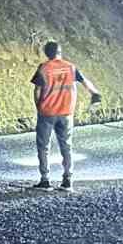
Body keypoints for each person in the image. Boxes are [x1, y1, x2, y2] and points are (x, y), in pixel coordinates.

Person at [31, 42, 101, 190]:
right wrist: (95, 94)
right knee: (66, 146)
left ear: (46, 53)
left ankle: (45, 180)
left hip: (47, 112)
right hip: (66, 113)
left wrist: (39, 107)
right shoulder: (70, 67)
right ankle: (67, 180)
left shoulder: (44, 68)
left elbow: (37, 90)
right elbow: (85, 82)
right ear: (60, 52)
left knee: (43, 146)